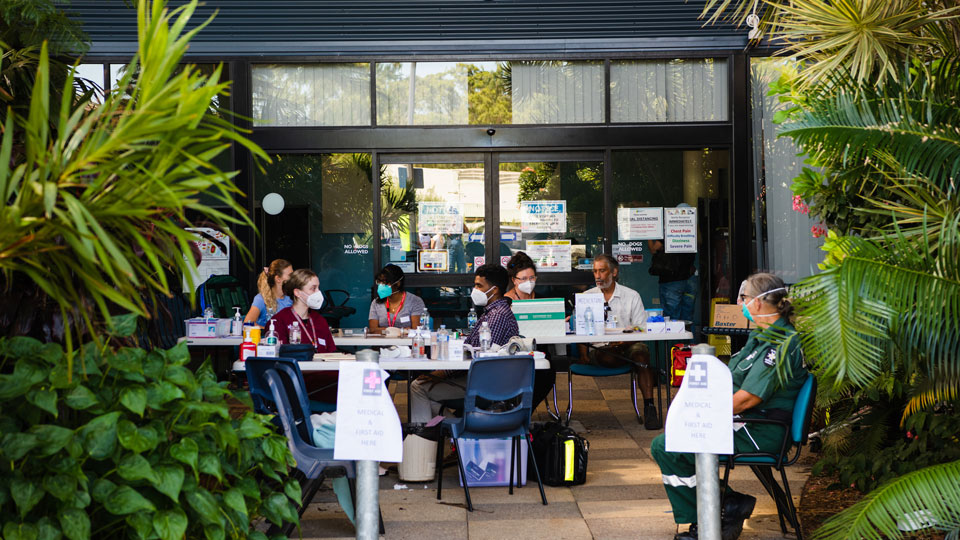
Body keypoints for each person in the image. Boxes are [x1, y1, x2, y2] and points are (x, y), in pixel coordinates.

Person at [650, 273, 807, 540]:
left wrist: (700, 415)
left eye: (743, 298)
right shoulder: (762, 337)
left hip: (760, 429)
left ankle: (707, 519)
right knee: (670, 442)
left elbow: (749, 398)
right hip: (744, 422)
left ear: (758, 303)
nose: (740, 303)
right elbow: (731, 379)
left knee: (670, 446)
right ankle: (728, 504)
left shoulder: (781, 344)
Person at [408, 264, 519, 423]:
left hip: (483, 384)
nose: (475, 289)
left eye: (479, 286)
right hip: (483, 378)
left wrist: (442, 374)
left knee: (418, 387)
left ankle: (428, 437)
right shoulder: (492, 312)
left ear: (494, 290)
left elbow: (479, 357)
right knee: (424, 390)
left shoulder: (497, 316)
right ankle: (457, 431)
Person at [579, 254, 661, 429]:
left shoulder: (631, 296)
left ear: (614, 272)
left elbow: (641, 329)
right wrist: (583, 354)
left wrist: (624, 343)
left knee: (641, 355)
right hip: (602, 349)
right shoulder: (587, 297)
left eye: (602, 271)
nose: (598, 276)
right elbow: (580, 331)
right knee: (608, 355)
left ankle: (650, 408)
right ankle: (633, 364)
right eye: (595, 271)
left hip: (629, 344)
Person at [269, 268, 338, 402]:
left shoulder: (320, 320)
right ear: (297, 292)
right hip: (297, 382)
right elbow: (279, 361)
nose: (318, 293)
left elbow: (332, 353)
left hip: (324, 379)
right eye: (313, 288)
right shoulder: (279, 321)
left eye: (318, 288)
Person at [648, 239, 697, 322]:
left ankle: (676, 335)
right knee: (687, 319)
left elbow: (654, 249)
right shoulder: (690, 229)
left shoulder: (669, 230)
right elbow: (699, 241)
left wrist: (649, 235)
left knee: (672, 319)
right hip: (689, 278)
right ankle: (688, 334)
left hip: (671, 280)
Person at [368, 264, 426, 331]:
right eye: (379, 282)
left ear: (398, 283)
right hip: (382, 341)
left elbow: (416, 330)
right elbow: (373, 330)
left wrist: (382, 330)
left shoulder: (415, 301)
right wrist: (400, 331)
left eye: (385, 282)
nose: (381, 285)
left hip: (407, 341)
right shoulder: (376, 303)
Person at [244, 259, 293, 327]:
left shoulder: (291, 298)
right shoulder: (261, 299)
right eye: (290, 275)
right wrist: (268, 331)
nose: (293, 278)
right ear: (278, 279)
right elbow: (247, 323)